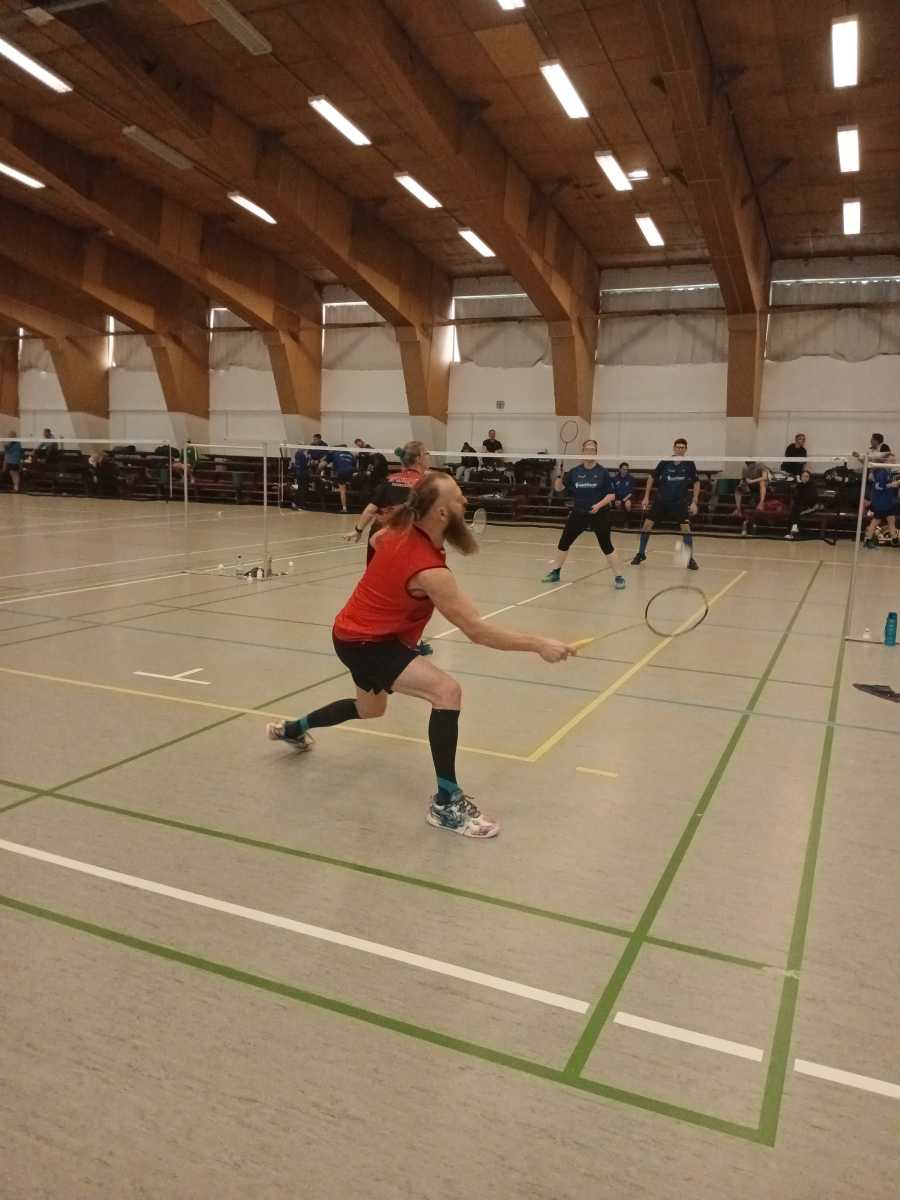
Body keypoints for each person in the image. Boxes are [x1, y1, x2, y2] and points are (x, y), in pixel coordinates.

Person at [266, 472, 574, 838]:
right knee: (447, 692)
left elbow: (377, 540)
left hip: (350, 633)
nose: (466, 503)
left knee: (370, 709)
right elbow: (477, 632)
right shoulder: (431, 572)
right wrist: (540, 644)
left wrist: (391, 601)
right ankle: (447, 803)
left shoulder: (395, 531)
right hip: (368, 643)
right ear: (442, 513)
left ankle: (293, 729)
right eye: (458, 498)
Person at [346, 440, 432, 654]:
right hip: (404, 537)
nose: (429, 456)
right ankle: (407, 642)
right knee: (410, 592)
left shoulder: (390, 479)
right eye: (426, 453)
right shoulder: (424, 484)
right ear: (419, 458)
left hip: (379, 534)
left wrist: (357, 530)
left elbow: (371, 508)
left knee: (376, 587)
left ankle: (371, 635)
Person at [542, 440, 626, 589]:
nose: (589, 452)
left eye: (592, 450)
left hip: (599, 514)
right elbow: (559, 489)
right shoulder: (574, 472)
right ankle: (555, 572)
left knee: (606, 546)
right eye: (587, 449)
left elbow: (611, 495)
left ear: (596, 453)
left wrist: (598, 505)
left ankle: (619, 577)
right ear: (582, 452)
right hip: (578, 513)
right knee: (564, 542)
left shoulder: (602, 472)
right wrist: (559, 477)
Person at [631, 438, 701, 570]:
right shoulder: (665, 462)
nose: (680, 449)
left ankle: (690, 559)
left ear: (686, 450)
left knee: (686, 530)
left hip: (679, 502)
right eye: (678, 447)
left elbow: (696, 482)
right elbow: (651, 477)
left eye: (682, 447)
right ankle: (640, 554)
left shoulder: (689, 464)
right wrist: (646, 497)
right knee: (646, 526)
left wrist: (694, 501)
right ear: (674, 448)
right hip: (661, 501)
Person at [863, 450, 899, 548]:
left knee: (891, 519)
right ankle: (868, 539)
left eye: (894, 460)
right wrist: (891, 484)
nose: (894, 462)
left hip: (887, 500)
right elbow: (878, 487)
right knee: (877, 520)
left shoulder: (888, 472)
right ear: (885, 461)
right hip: (880, 501)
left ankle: (895, 539)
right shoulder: (882, 472)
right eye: (891, 460)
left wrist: (893, 484)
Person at [784, 468, 823, 541]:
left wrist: (801, 486)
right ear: (801, 477)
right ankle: (793, 528)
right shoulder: (799, 485)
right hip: (800, 505)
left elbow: (811, 498)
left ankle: (791, 532)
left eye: (807, 476)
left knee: (795, 510)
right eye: (803, 476)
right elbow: (796, 497)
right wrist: (800, 484)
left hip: (810, 506)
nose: (805, 478)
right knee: (794, 510)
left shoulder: (812, 485)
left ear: (809, 478)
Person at [330, 444, 356, 513]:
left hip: (341, 472)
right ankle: (352, 504)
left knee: (342, 491)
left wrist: (335, 472)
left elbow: (334, 466)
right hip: (350, 472)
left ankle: (344, 508)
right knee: (349, 487)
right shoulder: (351, 455)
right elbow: (354, 464)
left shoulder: (337, 454)